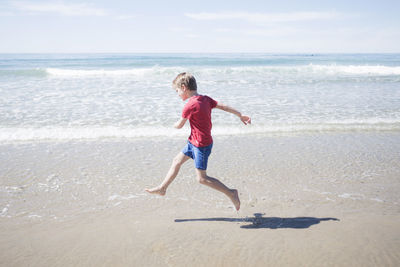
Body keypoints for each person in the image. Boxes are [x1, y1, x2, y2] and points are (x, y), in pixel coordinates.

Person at [145, 72, 251, 211]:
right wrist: (240, 114)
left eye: (177, 91)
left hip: (201, 145)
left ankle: (231, 193)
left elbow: (180, 125)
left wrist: (171, 125)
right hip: (195, 142)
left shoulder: (190, 106)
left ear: (183, 87)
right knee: (177, 161)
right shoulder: (205, 99)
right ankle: (162, 188)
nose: (177, 94)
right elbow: (223, 106)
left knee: (202, 179)